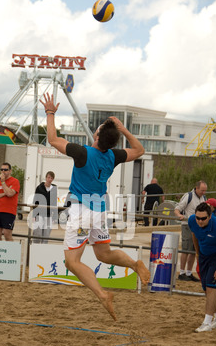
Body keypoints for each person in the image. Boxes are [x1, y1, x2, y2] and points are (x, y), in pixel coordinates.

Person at [40, 93, 150, 321]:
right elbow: (139, 150)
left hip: (82, 211)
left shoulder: (83, 153)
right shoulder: (113, 156)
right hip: (99, 209)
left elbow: (52, 139)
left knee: (72, 262)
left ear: (97, 137)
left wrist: (50, 113)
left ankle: (101, 294)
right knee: (103, 253)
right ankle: (134, 263)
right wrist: (123, 128)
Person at [188, 202, 216, 332]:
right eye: (198, 218)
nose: (200, 221)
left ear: (210, 216)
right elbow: (194, 234)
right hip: (203, 256)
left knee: (211, 288)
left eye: (203, 218)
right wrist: (197, 253)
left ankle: (207, 323)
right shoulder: (192, 221)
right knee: (207, 290)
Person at [174, 180, 207, 281]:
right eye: (202, 190)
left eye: (205, 191)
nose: (203, 192)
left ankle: (189, 272)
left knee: (194, 250)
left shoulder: (204, 198)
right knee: (186, 249)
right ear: (196, 188)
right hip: (187, 225)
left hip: (199, 226)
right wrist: (179, 215)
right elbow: (177, 209)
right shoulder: (188, 196)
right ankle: (182, 272)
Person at [0, 163, 20, 241]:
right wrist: (4, 193)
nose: (3, 171)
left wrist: (3, 182)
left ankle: (11, 252)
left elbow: (10, 194)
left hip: (9, 212)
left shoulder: (15, 181)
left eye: (5, 170)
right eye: (2, 169)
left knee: (7, 234)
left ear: (10, 171)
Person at [32, 171, 58, 243]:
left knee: (46, 235)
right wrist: (34, 215)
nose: (50, 179)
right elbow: (35, 201)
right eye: (48, 177)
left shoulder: (54, 189)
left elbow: (54, 203)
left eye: (51, 178)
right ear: (46, 178)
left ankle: (43, 248)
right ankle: (35, 247)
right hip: (39, 213)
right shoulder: (39, 188)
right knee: (38, 233)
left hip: (49, 214)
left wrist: (55, 216)